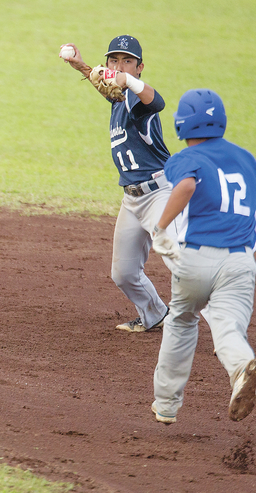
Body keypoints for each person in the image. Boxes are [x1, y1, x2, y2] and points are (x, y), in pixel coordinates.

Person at [149, 88, 256, 424]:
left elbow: (186, 186)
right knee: (228, 325)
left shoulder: (183, 159)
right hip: (240, 263)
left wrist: (161, 228)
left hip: (197, 259)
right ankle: (240, 370)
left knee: (181, 320)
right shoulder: (245, 157)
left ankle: (167, 405)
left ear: (181, 125)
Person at [60, 36, 176, 332]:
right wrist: (81, 66)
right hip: (132, 199)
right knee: (123, 273)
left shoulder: (138, 99)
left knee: (182, 264)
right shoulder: (118, 98)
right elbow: (108, 87)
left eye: (127, 62)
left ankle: (225, 334)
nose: (118, 66)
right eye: (113, 61)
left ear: (139, 68)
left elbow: (157, 101)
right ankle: (155, 314)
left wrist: (127, 80)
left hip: (160, 194)